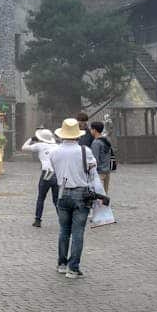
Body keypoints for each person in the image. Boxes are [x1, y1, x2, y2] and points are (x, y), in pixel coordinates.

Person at [50, 118, 106, 279]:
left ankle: (61, 264)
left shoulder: (54, 152)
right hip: (81, 194)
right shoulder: (84, 151)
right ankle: (73, 268)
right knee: (77, 232)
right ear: (77, 135)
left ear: (62, 134)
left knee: (63, 231)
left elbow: (53, 170)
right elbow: (93, 173)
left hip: (62, 193)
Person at [23, 128, 59, 228]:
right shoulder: (57, 146)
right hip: (57, 173)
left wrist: (31, 139)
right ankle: (62, 220)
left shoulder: (40, 145)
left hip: (47, 173)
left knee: (41, 197)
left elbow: (24, 147)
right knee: (56, 199)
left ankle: (38, 220)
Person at [89, 121, 115, 192]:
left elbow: (95, 160)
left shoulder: (96, 143)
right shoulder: (106, 140)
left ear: (94, 130)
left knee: (98, 195)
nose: (90, 130)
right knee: (104, 194)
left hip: (99, 172)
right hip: (107, 171)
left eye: (91, 129)